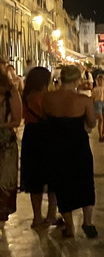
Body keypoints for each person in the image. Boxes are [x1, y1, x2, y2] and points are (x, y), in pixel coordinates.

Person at [43, 66, 98, 238]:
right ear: (76, 81)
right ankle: (87, 222)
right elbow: (92, 122)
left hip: (57, 146)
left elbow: (45, 118)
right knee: (85, 181)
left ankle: (69, 226)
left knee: (62, 183)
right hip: (78, 145)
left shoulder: (48, 98)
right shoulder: (83, 100)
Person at [20, 67, 57, 227]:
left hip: (31, 135)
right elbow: (51, 114)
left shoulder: (26, 96)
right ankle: (51, 215)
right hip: (47, 134)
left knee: (34, 177)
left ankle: (37, 217)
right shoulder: (47, 96)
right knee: (53, 177)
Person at [0, 70, 23, 223]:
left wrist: (1, 125)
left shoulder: (10, 93)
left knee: (4, 178)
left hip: (5, 141)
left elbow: (16, 119)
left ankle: (2, 211)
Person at [92, 72, 104, 142]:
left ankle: (103, 131)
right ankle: (100, 135)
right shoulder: (95, 89)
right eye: (99, 80)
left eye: (102, 80)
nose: (100, 82)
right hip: (98, 103)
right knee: (100, 119)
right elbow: (93, 99)